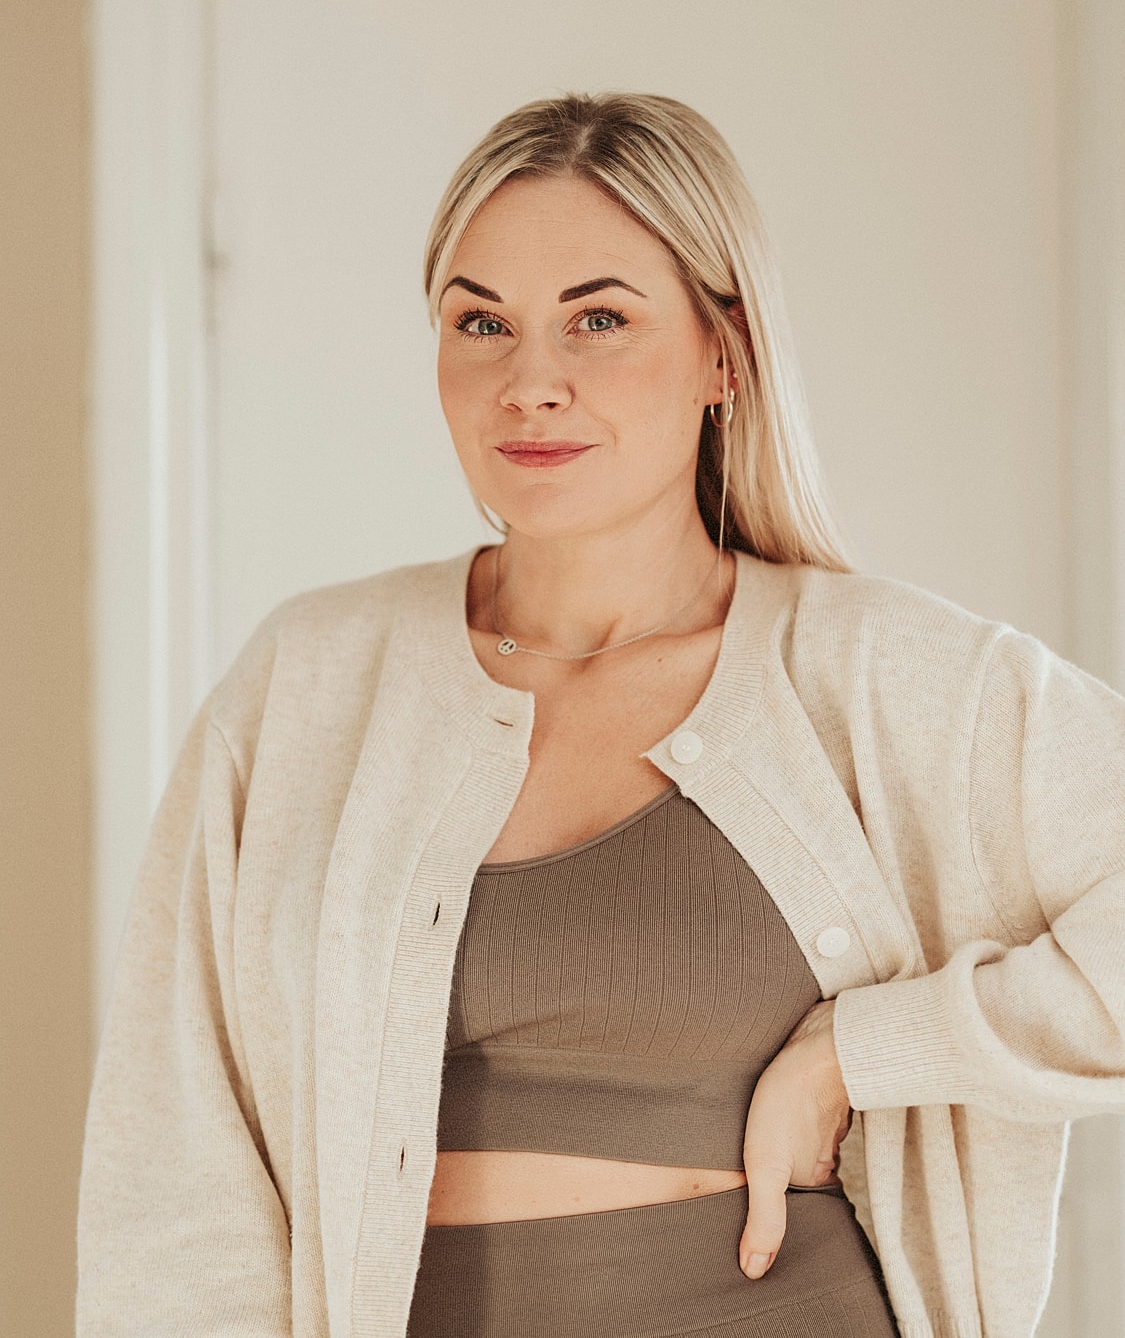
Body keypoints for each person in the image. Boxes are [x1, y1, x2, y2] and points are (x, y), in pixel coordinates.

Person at [77, 92, 1125, 1338]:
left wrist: (871, 1052)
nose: (531, 382)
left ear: (724, 354)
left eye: (600, 319)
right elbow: (175, 1165)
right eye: (482, 322)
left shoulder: (886, 679)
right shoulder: (309, 682)